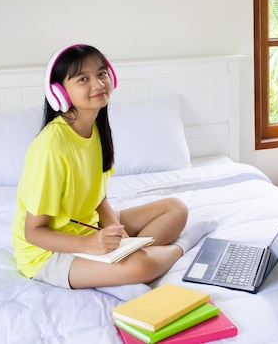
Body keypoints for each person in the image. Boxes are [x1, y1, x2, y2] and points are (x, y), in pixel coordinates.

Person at [12, 44, 217, 296]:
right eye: (83, 79)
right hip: (49, 253)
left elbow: (98, 199)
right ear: (59, 92)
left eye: (101, 74)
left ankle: (131, 255)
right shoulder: (50, 148)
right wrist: (89, 245)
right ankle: (180, 247)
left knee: (175, 208)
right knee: (140, 265)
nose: (98, 84)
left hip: (90, 228)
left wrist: (116, 234)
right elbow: (33, 232)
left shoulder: (96, 129)